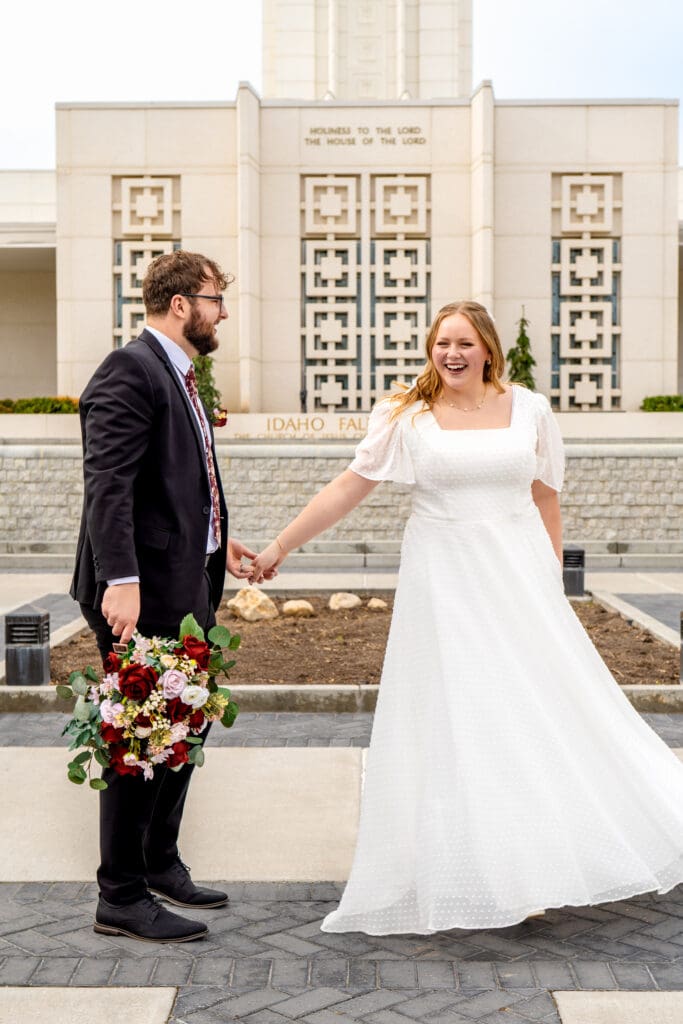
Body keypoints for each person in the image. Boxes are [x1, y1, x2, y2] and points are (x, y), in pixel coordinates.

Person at [251, 300, 683, 935]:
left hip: (519, 580)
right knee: (466, 716)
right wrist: (277, 547)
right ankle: (488, 863)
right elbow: (348, 486)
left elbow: (544, 496)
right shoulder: (408, 417)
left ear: (487, 349)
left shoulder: (530, 409)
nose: (451, 353)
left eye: (463, 342)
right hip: (445, 584)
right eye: (440, 343)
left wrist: (554, 583)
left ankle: (539, 852)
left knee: (533, 709)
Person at [71, 250, 263, 943]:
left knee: (184, 724)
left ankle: (158, 861)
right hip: (142, 593)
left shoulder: (177, 373)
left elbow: (179, 481)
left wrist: (217, 542)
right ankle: (119, 895)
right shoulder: (131, 369)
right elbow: (109, 485)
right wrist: (119, 578)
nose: (222, 312)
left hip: (186, 581)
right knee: (139, 736)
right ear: (180, 304)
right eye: (215, 299)